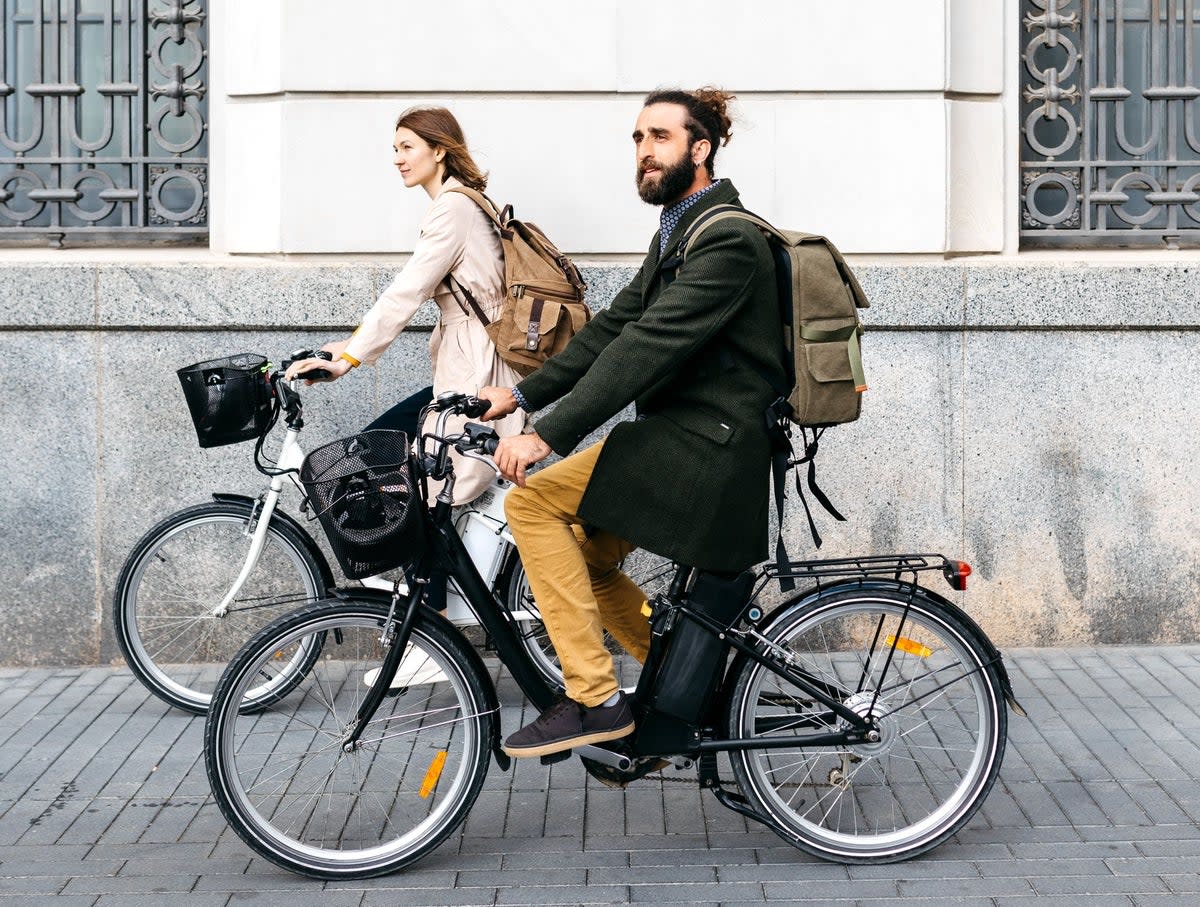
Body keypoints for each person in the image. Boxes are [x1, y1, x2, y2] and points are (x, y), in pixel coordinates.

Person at [477, 87, 786, 758]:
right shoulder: (681, 229)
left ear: (699, 150)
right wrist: (523, 396)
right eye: (638, 138)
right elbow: (616, 327)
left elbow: (647, 351)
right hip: (681, 440)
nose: (644, 151)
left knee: (531, 508)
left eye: (660, 137)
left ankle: (593, 697)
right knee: (582, 557)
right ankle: (693, 683)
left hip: (709, 447)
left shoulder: (726, 238)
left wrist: (547, 435)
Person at [285, 106, 527, 504]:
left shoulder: (453, 208)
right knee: (397, 455)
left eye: (407, 146)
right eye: (395, 148)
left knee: (426, 479)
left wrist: (348, 360)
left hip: (478, 365)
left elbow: (407, 291)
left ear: (438, 151)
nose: (397, 158)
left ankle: (432, 568)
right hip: (472, 359)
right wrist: (348, 346)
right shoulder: (464, 203)